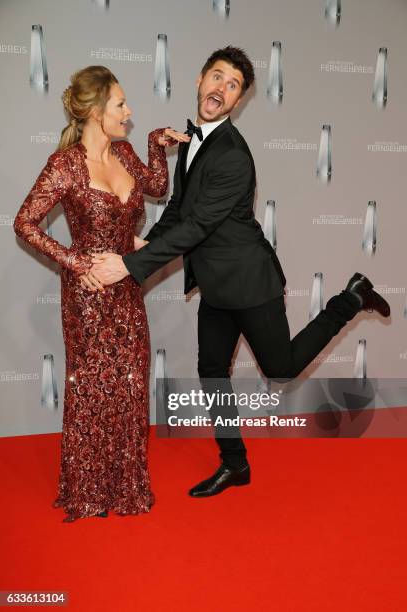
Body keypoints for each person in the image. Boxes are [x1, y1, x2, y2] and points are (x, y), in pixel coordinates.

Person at [90, 47, 391, 498]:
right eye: (217, 77)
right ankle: (235, 464)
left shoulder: (232, 155)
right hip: (215, 284)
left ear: (237, 101)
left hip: (250, 282)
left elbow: (199, 225)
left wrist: (130, 266)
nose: (221, 89)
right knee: (212, 369)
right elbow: (179, 207)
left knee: (282, 369)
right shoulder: (194, 141)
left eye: (232, 86)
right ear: (199, 80)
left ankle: (350, 297)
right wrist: (149, 242)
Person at [13, 65, 189, 521]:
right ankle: (88, 489)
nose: (128, 113)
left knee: (130, 384)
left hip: (126, 285)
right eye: (120, 105)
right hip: (88, 294)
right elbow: (24, 223)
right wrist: (75, 262)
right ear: (94, 112)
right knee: (92, 388)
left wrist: (154, 145)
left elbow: (156, 187)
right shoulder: (65, 165)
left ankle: (125, 486)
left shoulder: (127, 153)